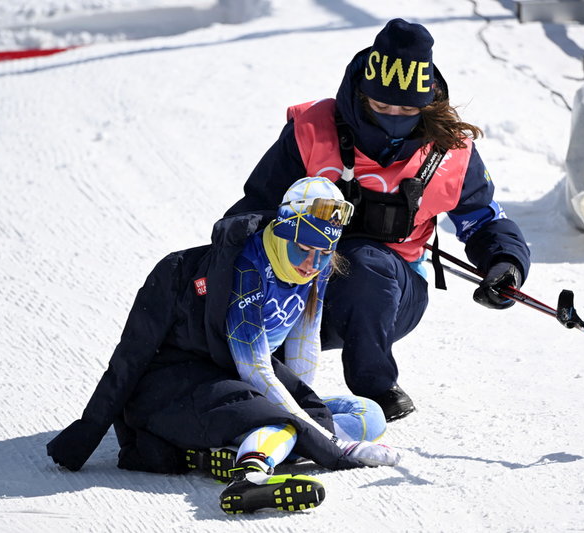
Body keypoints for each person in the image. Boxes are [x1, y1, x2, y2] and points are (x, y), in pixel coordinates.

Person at [225, 19, 532, 422]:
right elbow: (256, 209)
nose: (393, 116)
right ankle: (262, 370)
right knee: (264, 266)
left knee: (365, 262)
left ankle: (375, 385)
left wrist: (505, 265)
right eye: (381, 106)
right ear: (360, 93)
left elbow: (484, 219)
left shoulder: (450, 150)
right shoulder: (314, 130)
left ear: (428, 103)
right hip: (300, 279)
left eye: (407, 109)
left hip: (392, 293)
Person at [46, 177, 401, 515]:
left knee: (367, 415)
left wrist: (311, 417)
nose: (311, 263)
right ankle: (250, 476)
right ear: (282, 232)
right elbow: (249, 367)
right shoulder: (244, 268)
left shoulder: (316, 268)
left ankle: (234, 448)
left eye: (324, 252)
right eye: (303, 249)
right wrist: (329, 445)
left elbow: (302, 346)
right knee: (286, 423)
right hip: (173, 385)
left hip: (237, 382)